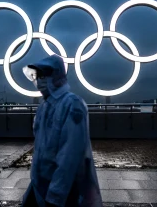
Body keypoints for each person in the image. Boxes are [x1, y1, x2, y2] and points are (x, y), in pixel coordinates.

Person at [21, 55, 102, 207]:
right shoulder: (44, 107)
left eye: (44, 75)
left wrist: (56, 195)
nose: (39, 80)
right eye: (38, 75)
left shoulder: (72, 104)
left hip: (65, 188)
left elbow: (71, 153)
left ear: (57, 75)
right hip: (40, 184)